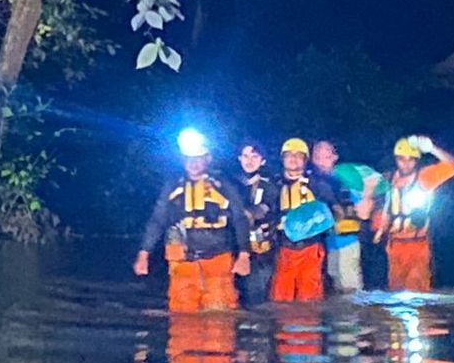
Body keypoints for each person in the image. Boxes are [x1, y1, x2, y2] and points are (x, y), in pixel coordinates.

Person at [133, 130, 251, 312]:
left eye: (198, 158)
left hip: (217, 258)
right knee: (182, 315)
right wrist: (144, 253)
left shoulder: (223, 185)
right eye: (189, 158)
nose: (193, 163)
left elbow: (240, 219)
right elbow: (158, 219)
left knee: (220, 319)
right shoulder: (172, 186)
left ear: (208, 158)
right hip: (182, 261)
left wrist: (244, 255)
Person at [373, 135, 454, 292]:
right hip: (394, 247)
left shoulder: (424, 177)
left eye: (411, 159)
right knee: (395, 294)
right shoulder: (387, 179)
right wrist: (379, 230)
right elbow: (383, 207)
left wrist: (432, 148)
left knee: (416, 294)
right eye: (401, 159)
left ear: (417, 160)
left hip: (417, 246)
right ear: (395, 159)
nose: (406, 164)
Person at [270, 138, 338, 302]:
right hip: (283, 249)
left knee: (310, 298)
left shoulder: (318, 184)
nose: (293, 159)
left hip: (311, 249)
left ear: (305, 160)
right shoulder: (273, 185)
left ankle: (310, 326)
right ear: (282, 158)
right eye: (288, 155)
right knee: (281, 298)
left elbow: (334, 211)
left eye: (298, 155)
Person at [311, 140, 363, 293]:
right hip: (325, 244)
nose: (321, 161)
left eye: (326, 156)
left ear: (335, 157)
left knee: (349, 286)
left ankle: (353, 317)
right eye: (317, 156)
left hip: (347, 241)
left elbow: (362, 210)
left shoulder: (347, 181)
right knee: (333, 287)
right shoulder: (310, 182)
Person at [236, 140, 276, 306]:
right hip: (234, 250)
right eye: (245, 156)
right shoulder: (231, 183)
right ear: (239, 158)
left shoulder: (270, 185)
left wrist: (249, 213)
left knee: (257, 300)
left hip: (261, 252)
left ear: (263, 160)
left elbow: (266, 208)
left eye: (254, 156)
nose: (249, 160)